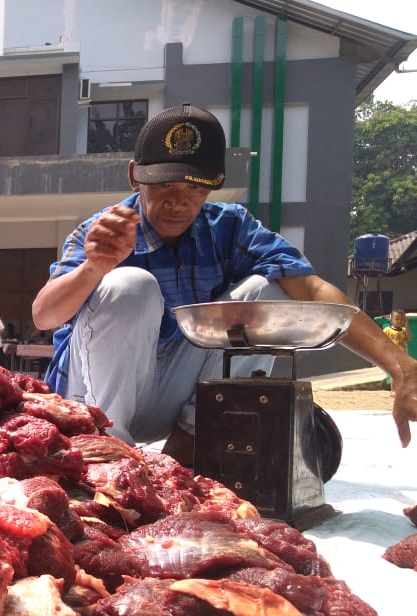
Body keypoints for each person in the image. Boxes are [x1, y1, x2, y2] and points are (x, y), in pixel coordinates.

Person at [32, 102, 417, 466]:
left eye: (195, 188)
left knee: (269, 293)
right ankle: (110, 455)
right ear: (136, 176)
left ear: (214, 184)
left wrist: (400, 366)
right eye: (164, 185)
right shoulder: (104, 231)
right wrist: (93, 269)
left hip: (173, 394)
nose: (178, 203)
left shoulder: (230, 227)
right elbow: (44, 315)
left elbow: (313, 290)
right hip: (94, 399)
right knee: (130, 285)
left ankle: (190, 442)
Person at [383, 308, 413, 390]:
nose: (399, 321)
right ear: (391, 319)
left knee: (404, 372)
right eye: (397, 319)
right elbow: (382, 341)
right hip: (392, 356)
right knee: (395, 373)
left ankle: (402, 389)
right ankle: (393, 390)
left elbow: (410, 338)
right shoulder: (387, 330)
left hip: (403, 355)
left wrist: (407, 327)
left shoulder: (403, 330)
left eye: (402, 319)